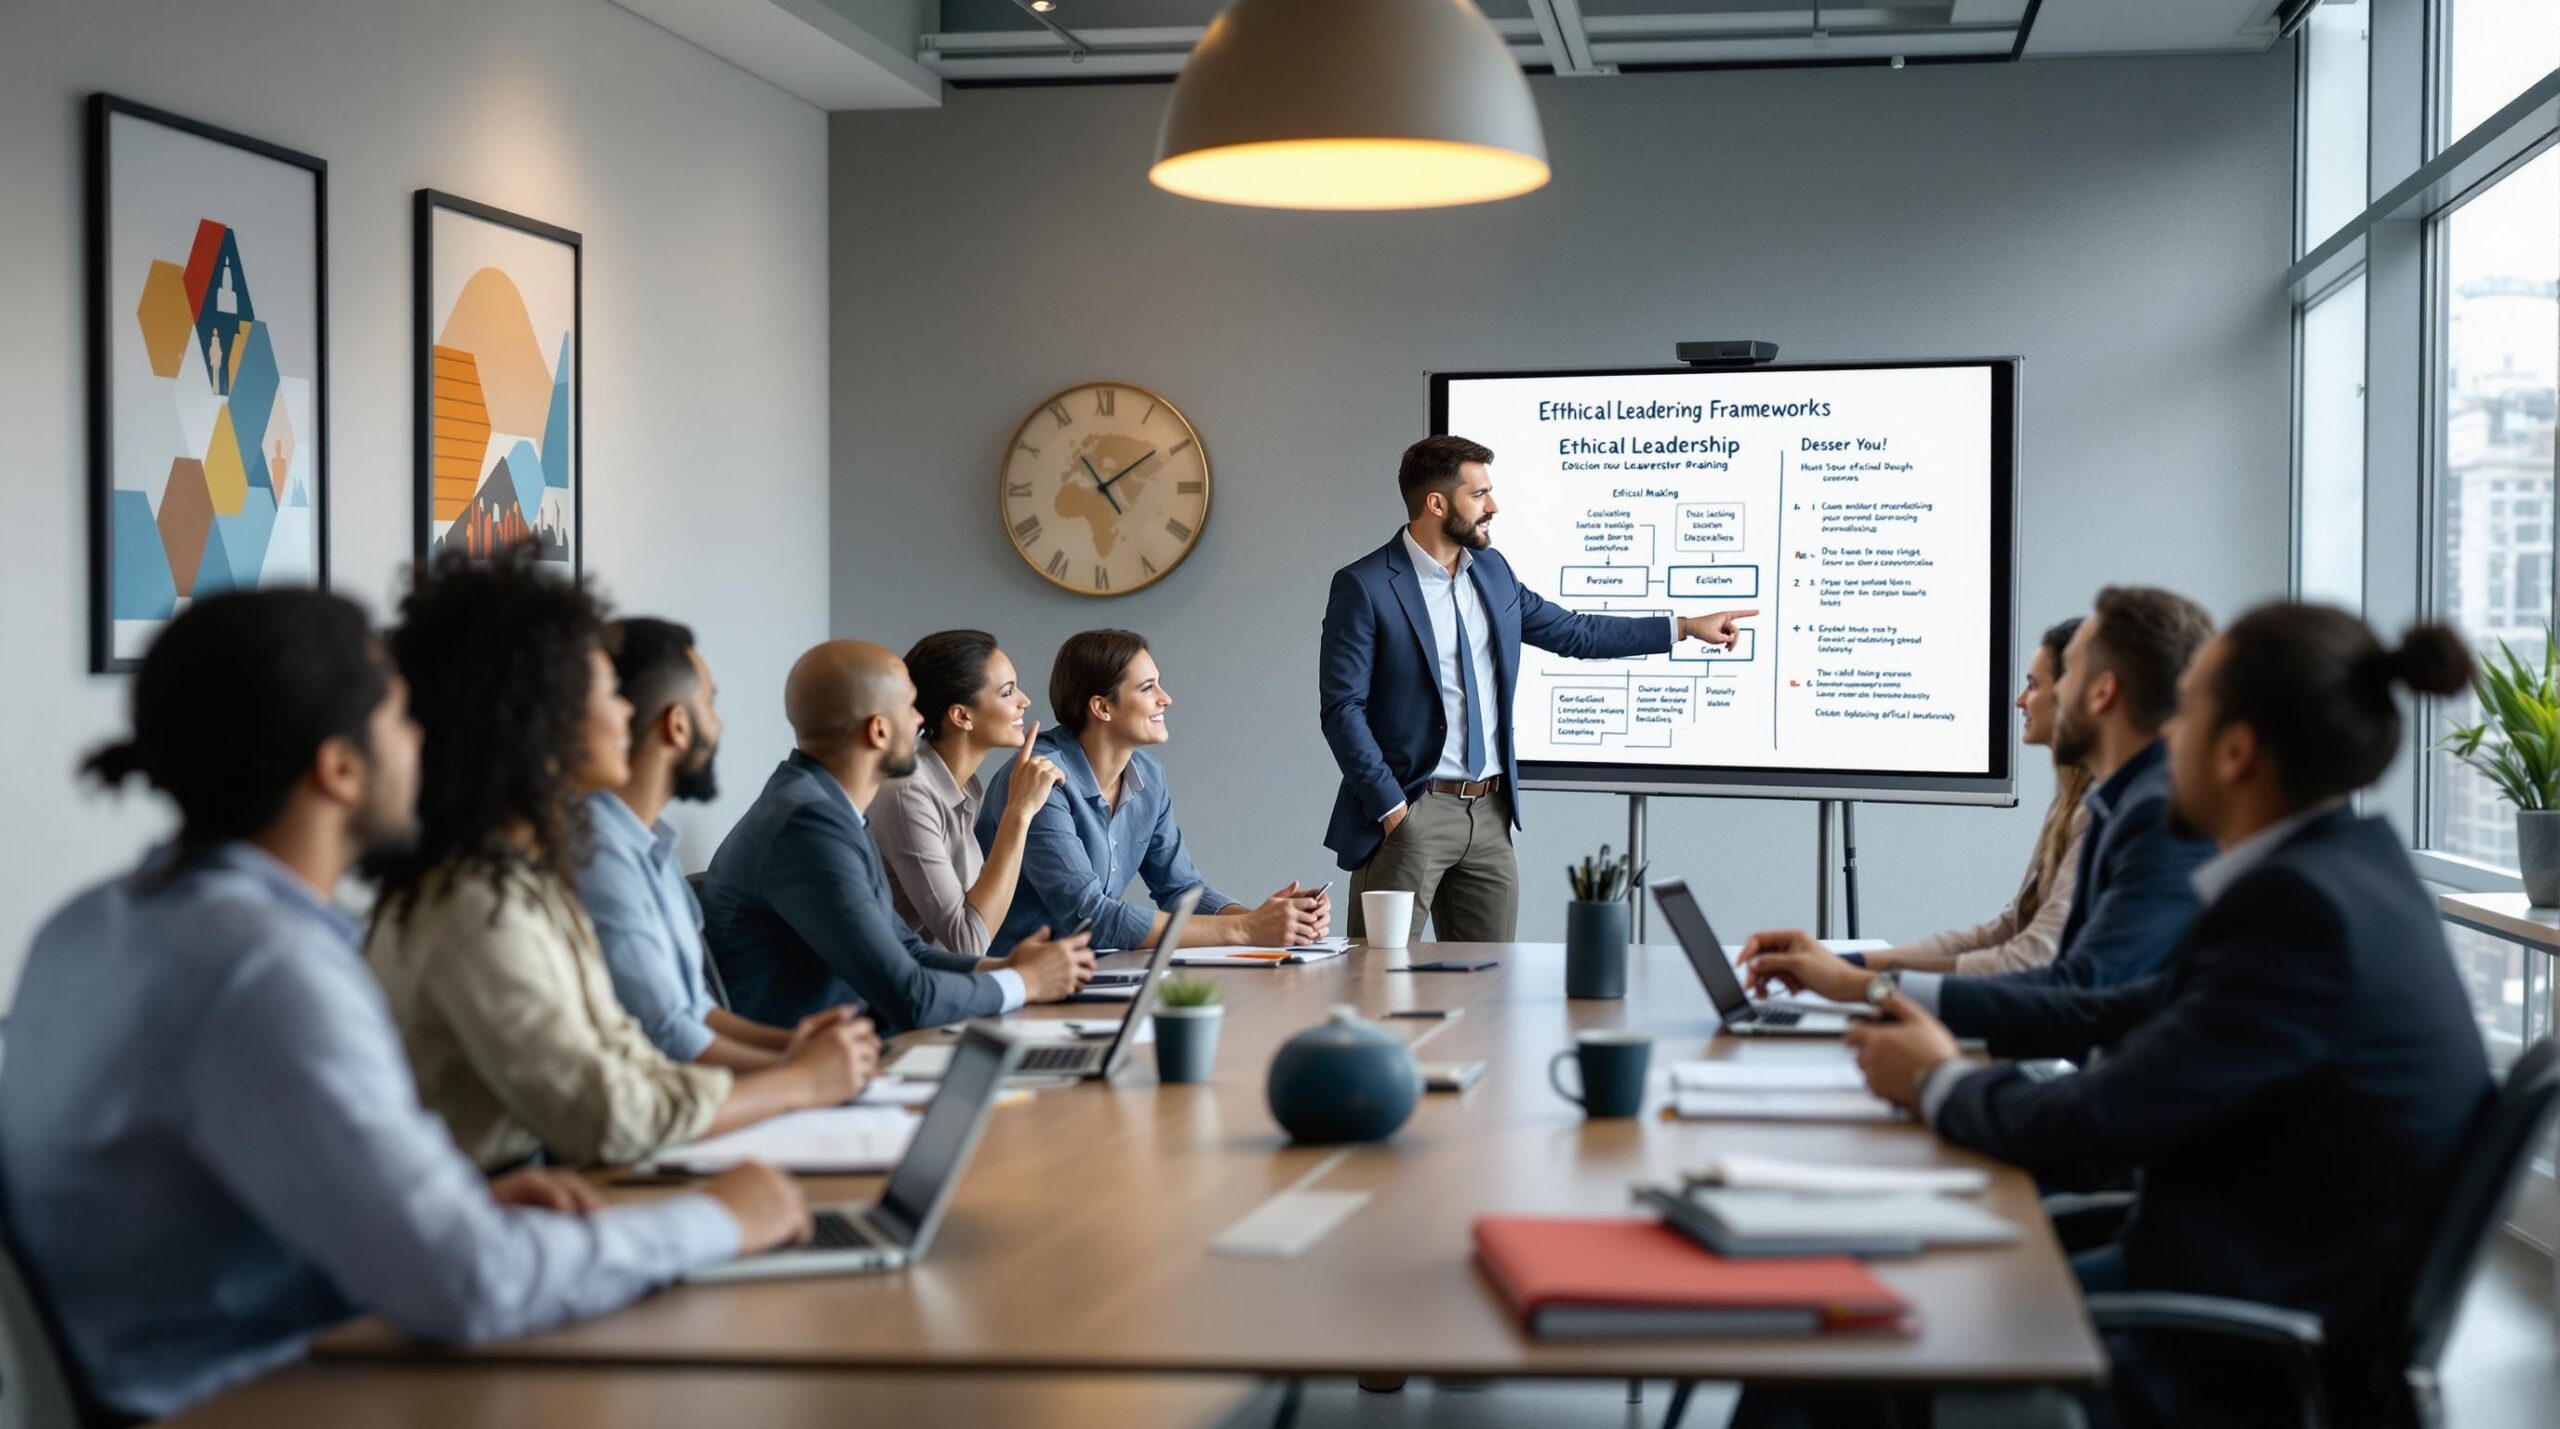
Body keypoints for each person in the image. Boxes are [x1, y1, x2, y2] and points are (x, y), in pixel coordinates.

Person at [0, 591, 811, 1422]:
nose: (423, 738)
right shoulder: (268, 969)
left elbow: (219, 1215)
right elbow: (472, 1282)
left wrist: (465, 1208)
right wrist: (718, 1220)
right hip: (258, 1398)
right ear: (340, 768)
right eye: (398, 717)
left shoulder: (92, 923)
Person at [1834, 605, 2490, 1427]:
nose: (2163, 737)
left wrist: (1937, 1082)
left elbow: (2099, 1122)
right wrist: (1901, 1006)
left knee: (1840, 1341)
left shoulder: (2301, 913)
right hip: (2237, 1285)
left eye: (2188, 713)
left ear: (2236, 751)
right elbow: (2132, 1008)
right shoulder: (2348, 875)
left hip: (2221, 1351)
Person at [367, 550, 878, 1171]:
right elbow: (606, 1114)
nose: (629, 714)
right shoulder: (476, 905)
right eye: (611, 692)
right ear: (539, 722)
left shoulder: (524, 883)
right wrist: (797, 1082)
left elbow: (625, 1054)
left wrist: (799, 1068)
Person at [1319, 435, 1756, 944]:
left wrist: (1682, 627)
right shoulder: (1367, 585)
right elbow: (1342, 709)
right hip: (1414, 809)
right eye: (1478, 494)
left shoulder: (1494, 573)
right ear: (1436, 504)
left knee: (1490, 980)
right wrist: (1393, 809)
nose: (1493, 506)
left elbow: (1576, 633)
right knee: (1377, 975)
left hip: (1490, 815)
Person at [1742, 588, 2218, 1048]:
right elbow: (2028, 948)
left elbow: (2070, 988)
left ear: (2103, 692)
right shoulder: (2117, 803)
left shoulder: (2151, 814)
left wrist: (1866, 986)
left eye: (2063, 675)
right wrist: (1851, 968)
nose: (2026, 699)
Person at [702, 640, 1095, 1034]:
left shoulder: (826, 807)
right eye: (909, 707)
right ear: (878, 730)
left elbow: (910, 951)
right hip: (814, 1057)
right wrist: (1026, 983)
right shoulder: (809, 826)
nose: (921, 719)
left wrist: (1007, 968)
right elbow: (910, 997)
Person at [575, 617, 866, 1067]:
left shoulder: (652, 843)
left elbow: (696, 1012)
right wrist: (802, 1072)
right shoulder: (596, 855)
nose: (719, 723)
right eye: (710, 704)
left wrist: (795, 1046)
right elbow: (669, 1036)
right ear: (677, 725)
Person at [980, 629, 1329, 954]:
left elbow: (1181, 889)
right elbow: (1089, 916)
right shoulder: (1040, 776)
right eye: (1148, 688)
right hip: (1010, 978)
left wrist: (1270, 920)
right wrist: (1249, 928)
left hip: (1088, 972)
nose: (1166, 699)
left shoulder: (1149, 776)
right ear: (1102, 707)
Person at [1860, 618, 2095, 977]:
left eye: (2033, 686)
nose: (2019, 701)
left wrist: (1869, 978)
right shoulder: (2066, 802)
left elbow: (2033, 956)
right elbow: (2009, 929)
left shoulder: (2095, 810)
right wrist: (1859, 964)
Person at [871, 629, 1063, 956]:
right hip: (882, 983)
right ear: (962, 715)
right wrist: (1018, 813)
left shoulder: (963, 788)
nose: (1024, 701)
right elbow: (968, 942)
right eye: (1007, 692)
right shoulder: (909, 794)